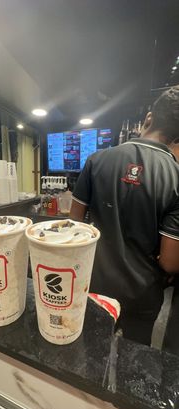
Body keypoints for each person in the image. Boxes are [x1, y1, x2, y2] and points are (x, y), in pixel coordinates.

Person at [70, 86, 179, 346]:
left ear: (149, 118)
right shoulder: (176, 178)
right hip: (142, 295)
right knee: (132, 369)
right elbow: (170, 263)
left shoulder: (96, 160)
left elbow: (73, 228)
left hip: (95, 286)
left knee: (91, 355)